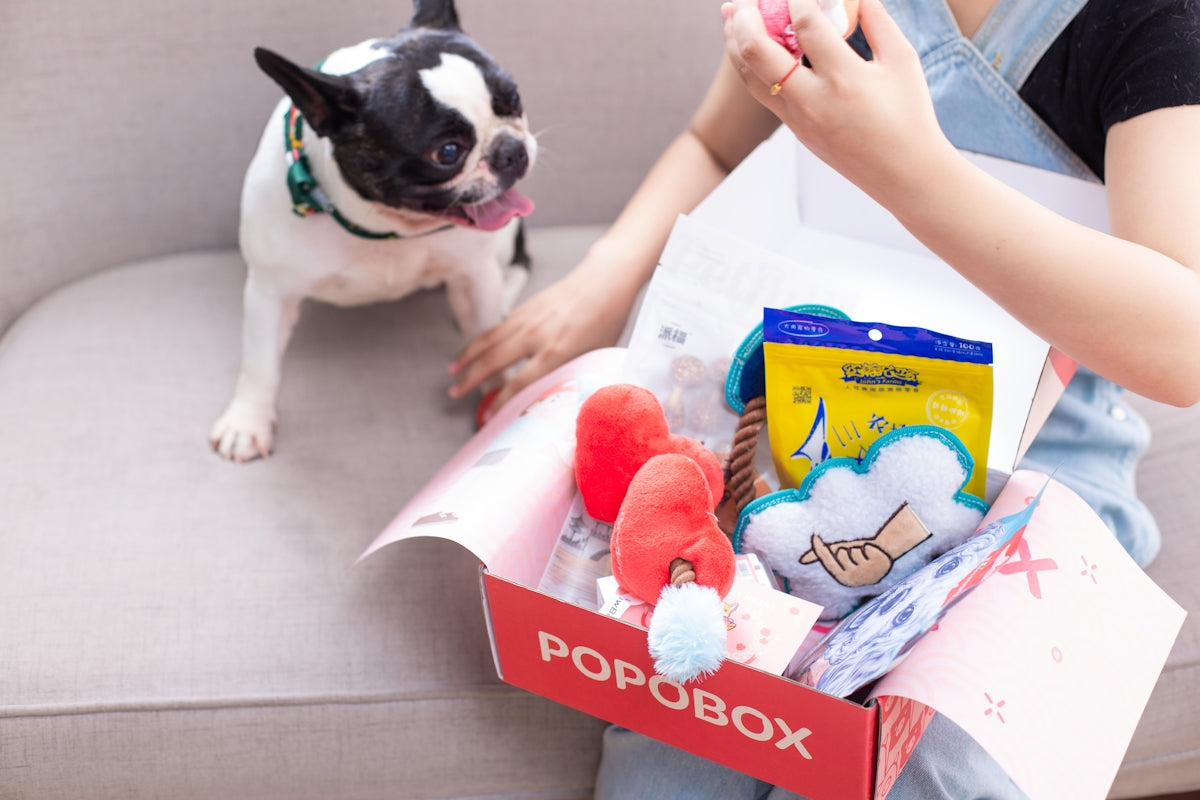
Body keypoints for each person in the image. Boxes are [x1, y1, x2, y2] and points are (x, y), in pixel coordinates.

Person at [453, 0, 1200, 796]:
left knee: (934, 759)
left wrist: (906, 169)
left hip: (1035, 465)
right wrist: (602, 282)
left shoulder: (1150, 23)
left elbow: (1179, 346)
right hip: (791, 438)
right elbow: (714, 143)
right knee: (678, 741)